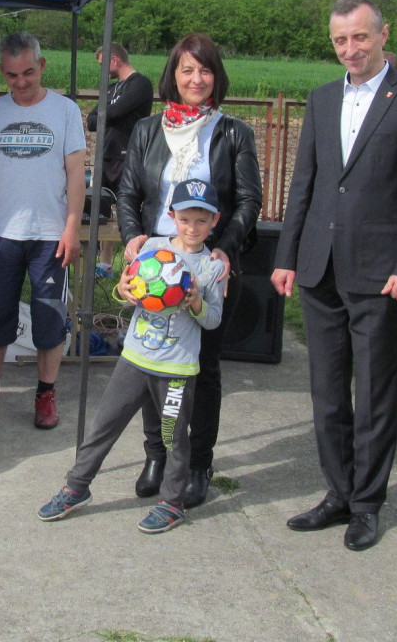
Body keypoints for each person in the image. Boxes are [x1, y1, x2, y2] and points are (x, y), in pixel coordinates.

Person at [270, 0, 397, 551]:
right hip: (319, 269)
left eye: (361, 37)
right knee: (326, 394)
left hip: (380, 273)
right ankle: (338, 493)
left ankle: (367, 504)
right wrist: (287, 256)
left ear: (383, 35)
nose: (351, 49)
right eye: (341, 40)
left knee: (373, 395)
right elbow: (305, 184)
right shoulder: (322, 99)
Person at [117, 32, 262, 509]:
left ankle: (198, 462)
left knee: (203, 369)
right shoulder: (147, 129)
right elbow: (129, 193)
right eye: (187, 70)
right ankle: (156, 456)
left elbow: (249, 200)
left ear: (216, 76)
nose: (196, 79)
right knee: (150, 363)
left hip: (207, 265)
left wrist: (225, 248)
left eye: (205, 70)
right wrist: (133, 239)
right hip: (155, 265)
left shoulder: (234, 133)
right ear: (173, 76)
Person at [38, 178, 226, 532]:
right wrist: (121, 290)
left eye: (202, 220)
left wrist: (197, 303)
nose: (193, 228)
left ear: (214, 221)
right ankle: (76, 487)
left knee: (173, 438)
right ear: (172, 216)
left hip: (176, 369)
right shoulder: (152, 248)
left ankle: (171, 504)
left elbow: (214, 320)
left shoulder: (212, 267)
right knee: (103, 425)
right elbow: (130, 291)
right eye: (186, 219)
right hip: (135, 359)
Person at [0, 31, 86, 428]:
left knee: (49, 318)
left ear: (42, 66)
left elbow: (75, 173)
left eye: (28, 73)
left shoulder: (65, 111)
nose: (21, 82)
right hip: (2, 234)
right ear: (2, 71)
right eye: (12, 75)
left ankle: (45, 394)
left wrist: (71, 228)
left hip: (50, 236)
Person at [85, 43, 154, 278]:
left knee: (130, 209)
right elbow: (92, 121)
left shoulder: (140, 84)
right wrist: (105, 114)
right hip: (105, 157)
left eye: (102, 64)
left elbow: (112, 113)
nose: (102, 70)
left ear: (114, 60)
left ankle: (140, 263)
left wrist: (106, 114)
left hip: (129, 158)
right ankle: (105, 265)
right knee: (103, 210)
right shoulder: (111, 89)